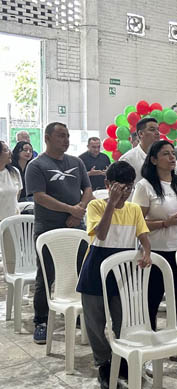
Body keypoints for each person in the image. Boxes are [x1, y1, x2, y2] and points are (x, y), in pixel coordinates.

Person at [76, 161, 152, 389]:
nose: (125, 192)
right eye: (120, 187)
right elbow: (100, 233)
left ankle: (122, 359)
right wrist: (111, 202)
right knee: (95, 322)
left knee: (123, 321)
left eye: (129, 187)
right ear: (108, 184)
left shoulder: (134, 210)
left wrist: (147, 252)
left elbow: (143, 236)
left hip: (123, 274)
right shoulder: (96, 206)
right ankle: (104, 364)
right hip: (95, 270)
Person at [26, 122, 93, 344]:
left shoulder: (76, 162)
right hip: (49, 228)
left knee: (80, 271)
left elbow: (88, 189)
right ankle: (41, 321)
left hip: (76, 227)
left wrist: (79, 209)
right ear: (47, 138)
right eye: (61, 136)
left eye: (67, 136)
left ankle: (78, 313)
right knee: (46, 275)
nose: (66, 140)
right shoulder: (37, 165)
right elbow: (40, 197)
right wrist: (70, 209)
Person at [132, 140, 177, 333]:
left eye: (172, 153)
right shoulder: (145, 186)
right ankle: (149, 336)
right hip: (157, 251)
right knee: (152, 298)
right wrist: (165, 223)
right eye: (165, 154)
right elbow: (136, 222)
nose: (172, 157)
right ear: (154, 160)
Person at [120, 117, 160, 186]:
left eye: (158, 130)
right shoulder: (128, 159)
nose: (157, 133)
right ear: (141, 134)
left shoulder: (162, 156)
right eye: (152, 130)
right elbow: (123, 188)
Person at [0, 140, 22, 220]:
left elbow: (17, 194)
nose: (10, 153)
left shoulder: (14, 172)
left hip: (13, 219)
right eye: (6, 150)